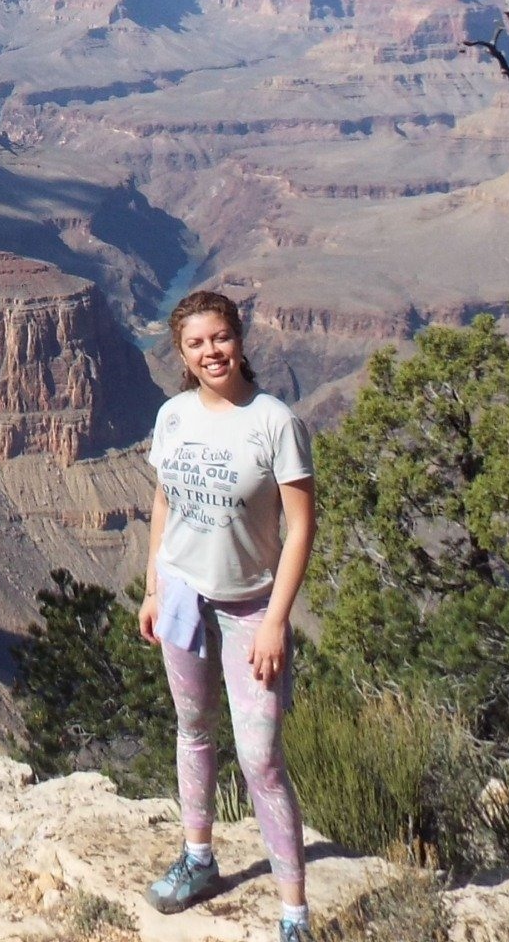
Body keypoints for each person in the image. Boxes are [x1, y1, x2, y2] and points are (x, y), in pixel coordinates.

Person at [136, 289, 317, 942]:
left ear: (239, 340)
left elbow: (300, 530)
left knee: (262, 757)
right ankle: (199, 858)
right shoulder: (174, 416)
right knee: (192, 729)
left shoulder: (274, 422)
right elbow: (163, 502)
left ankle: (294, 912)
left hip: (250, 607)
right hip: (183, 593)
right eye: (196, 343)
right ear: (182, 354)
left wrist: (275, 620)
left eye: (220, 338)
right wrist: (154, 586)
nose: (211, 351)